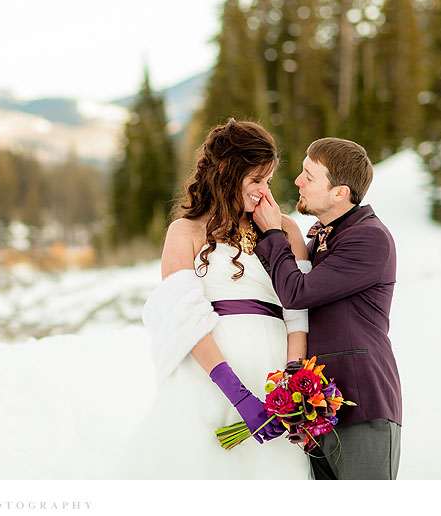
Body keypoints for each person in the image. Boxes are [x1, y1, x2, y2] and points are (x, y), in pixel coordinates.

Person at [115, 118, 312, 479]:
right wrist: (236, 394)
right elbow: (184, 318)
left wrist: (293, 385)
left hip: (274, 385)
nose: (263, 191)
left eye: (268, 181)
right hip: (209, 383)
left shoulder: (286, 229)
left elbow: (298, 313)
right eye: (255, 180)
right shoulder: (185, 231)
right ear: (225, 172)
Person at [252, 137, 402, 480]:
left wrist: (274, 233)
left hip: (362, 404)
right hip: (317, 409)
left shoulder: (369, 238)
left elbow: (296, 292)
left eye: (309, 175)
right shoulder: (322, 237)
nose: (297, 181)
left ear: (340, 193)